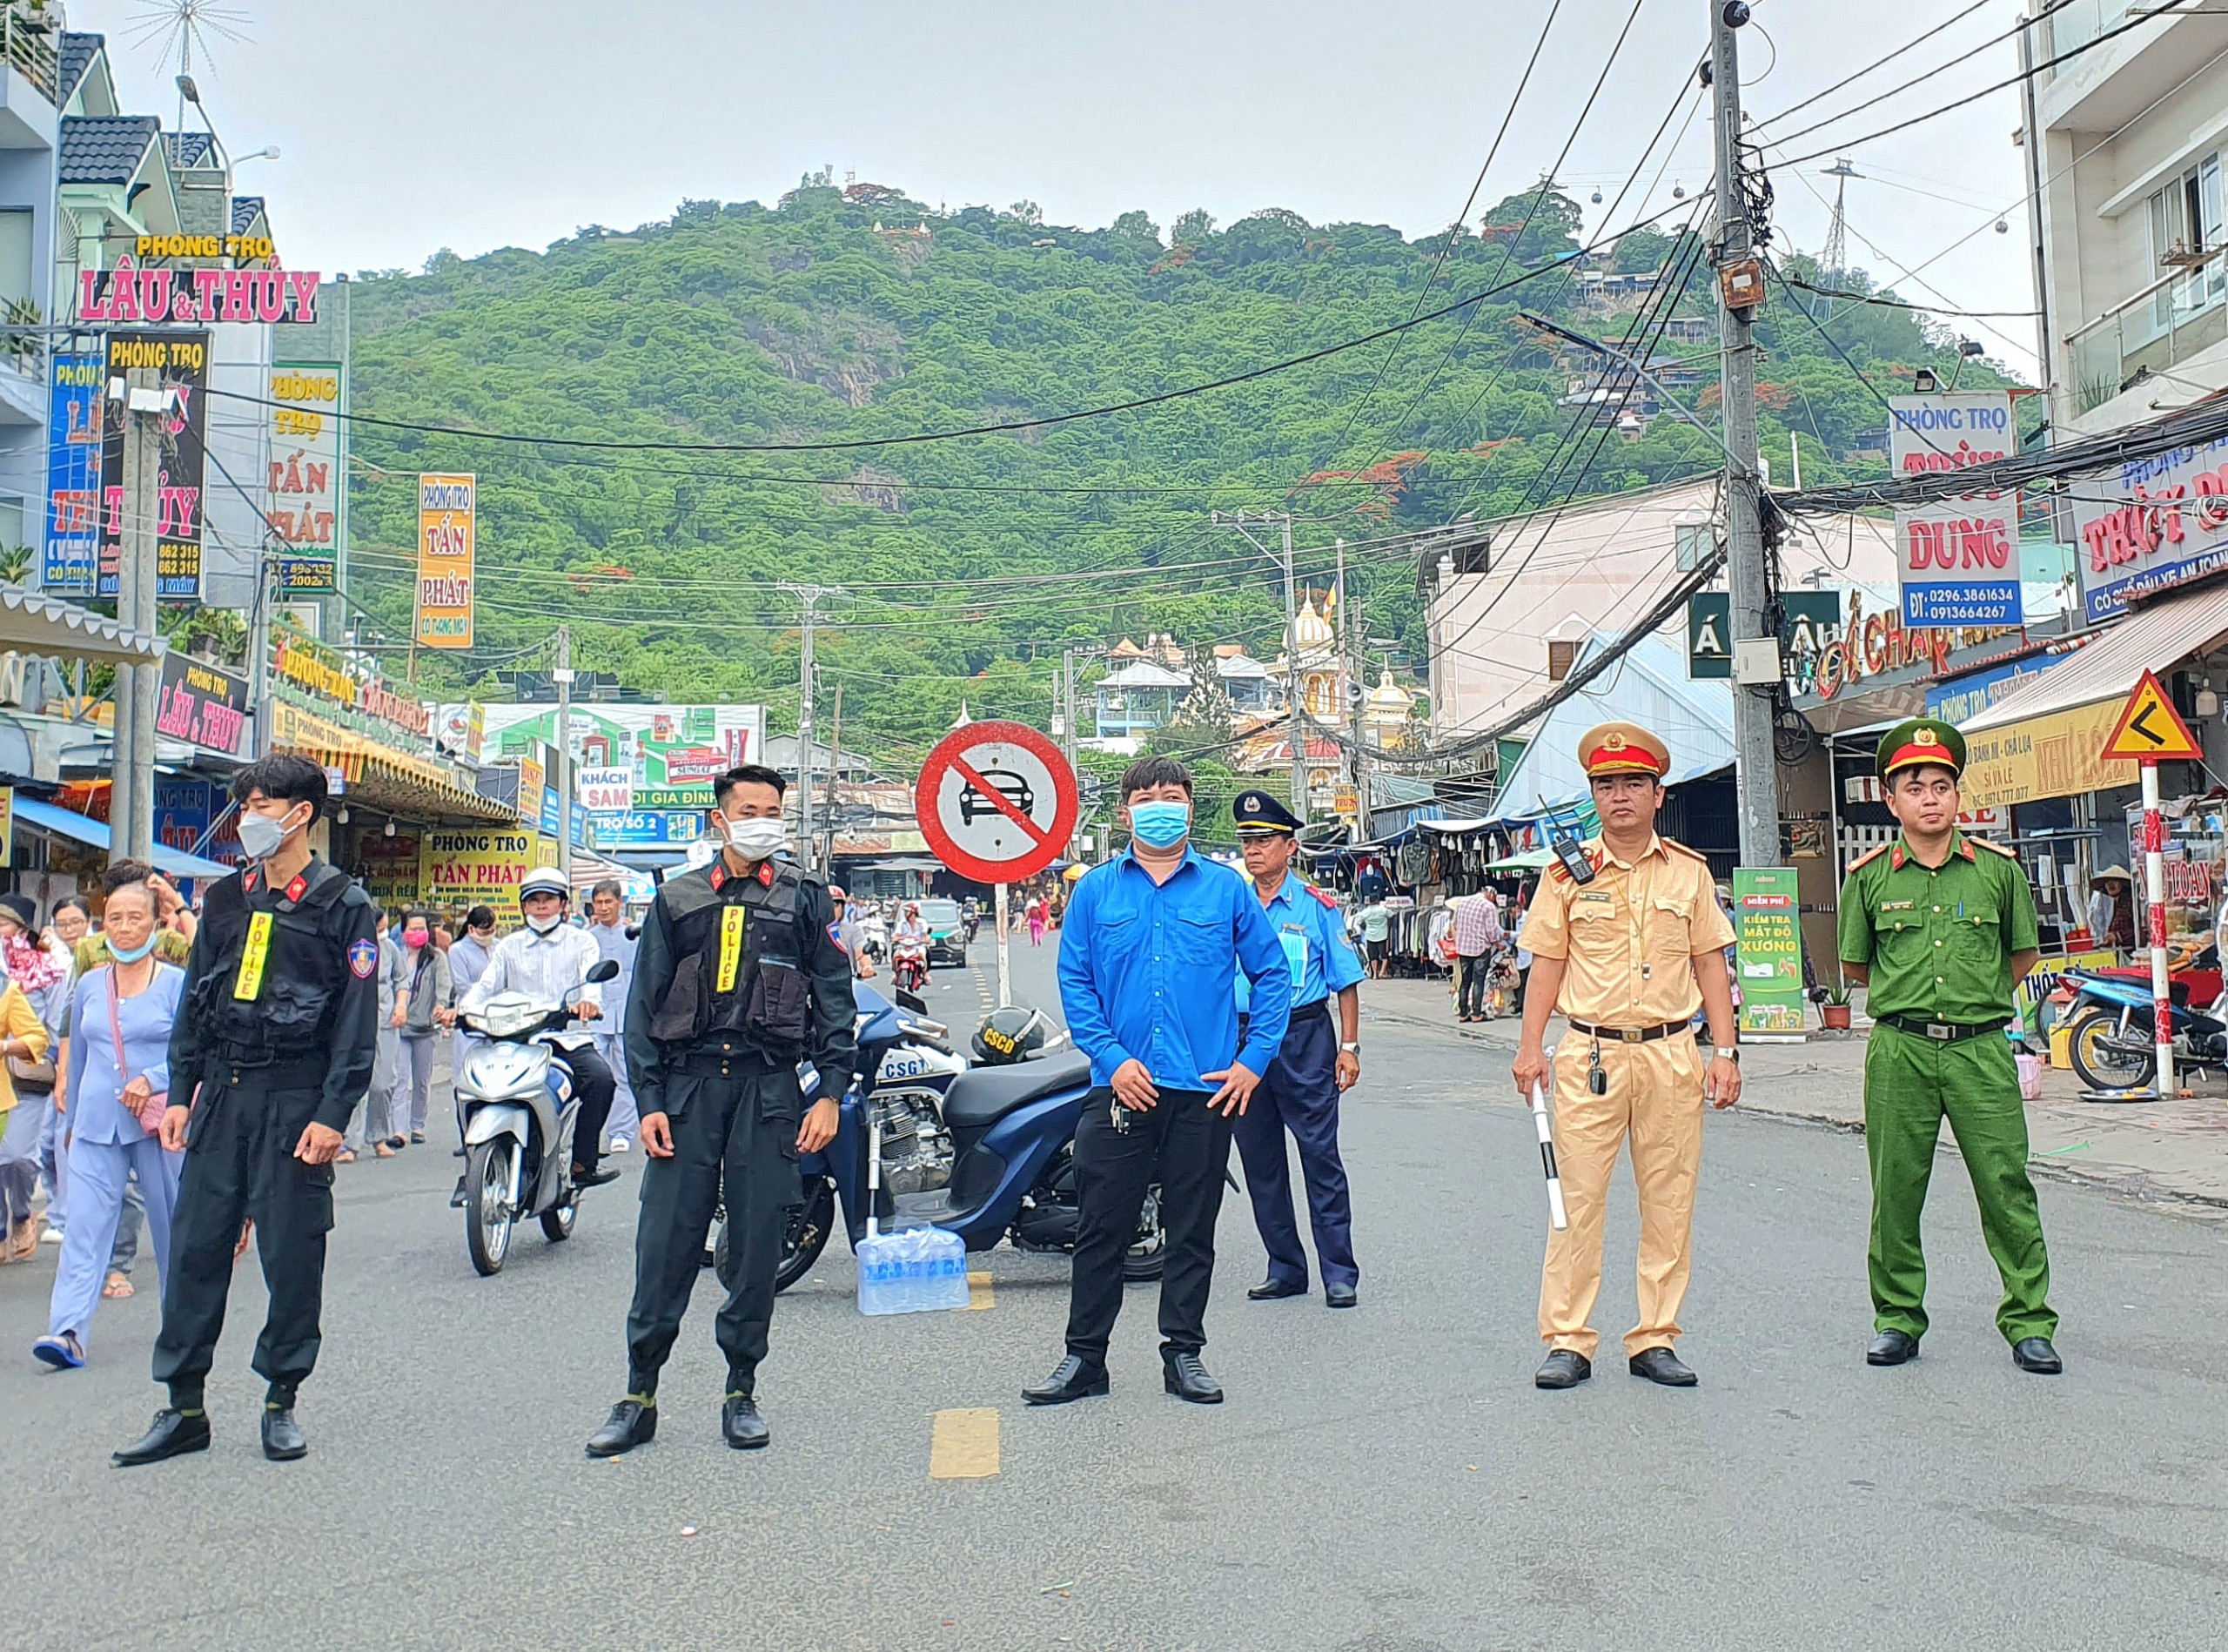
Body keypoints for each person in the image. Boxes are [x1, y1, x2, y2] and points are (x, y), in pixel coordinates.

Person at [113, 755, 380, 1466]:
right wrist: (180, 1092)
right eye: (246, 805)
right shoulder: (226, 899)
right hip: (223, 1096)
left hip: (296, 1099)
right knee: (196, 1248)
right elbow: (194, 1005)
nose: (248, 818)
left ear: (301, 814)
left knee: (292, 1255)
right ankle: (183, 1406)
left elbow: (356, 1025)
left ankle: (280, 1398)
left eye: (262, 804)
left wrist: (333, 1114)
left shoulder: (344, 904)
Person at [587, 763, 856, 1457]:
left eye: (773, 809)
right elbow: (642, 1011)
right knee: (665, 1247)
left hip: (769, 1094)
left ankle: (741, 1391)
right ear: (720, 819)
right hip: (688, 1093)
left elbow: (834, 1001)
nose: (763, 819)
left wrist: (828, 1091)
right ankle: (638, 1394)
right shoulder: (677, 900)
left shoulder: (802, 899)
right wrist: (647, 1101)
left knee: (756, 1246)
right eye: (749, 808)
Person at [1024, 756, 1291, 1409]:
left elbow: (1274, 976)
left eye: (1172, 797)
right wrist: (1112, 1059)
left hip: (1203, 1090)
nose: (1159, 806)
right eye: (1145, 798)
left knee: (1191, 1228)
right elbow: (1076, 983)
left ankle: (1185, 1355)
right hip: (1118, 1090)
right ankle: (1084, 1358)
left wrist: (1252, 1062)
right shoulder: (1094, 892)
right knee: (1100, 1230)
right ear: (1124, 812)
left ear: (1191, 809)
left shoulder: (1226, 890)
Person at [1511, 722, 1741, 1393]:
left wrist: (1724, 1052)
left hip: (1672, 1053)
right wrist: (1530, 1050)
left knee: (1669, 1202)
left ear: (1657, 794)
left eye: (1632, 784)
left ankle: (1655, 1337)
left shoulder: (1690, 874)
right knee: (1575, 1202)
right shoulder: (1564, 876)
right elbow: (1545, 966)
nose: (1619, 797)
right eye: (1606, 785)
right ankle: (1568, 1339)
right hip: (1591, 1054)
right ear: (1593, 796)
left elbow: (1710, 966)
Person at [1837, 719, 2060, 1376]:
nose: (1930, 798)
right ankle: (1897, 1320)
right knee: (1896, 1189)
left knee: (2005, 1185)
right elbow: (1857, 968)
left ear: (1958, 795)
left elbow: (2020, 956)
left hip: (1981, 1051)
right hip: (1899, 1050)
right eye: (1915, 787)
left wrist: (1972, 1004)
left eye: (1942, 785)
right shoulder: (1870, 879)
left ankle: (2029, 1322)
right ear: (1891, 799)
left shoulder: (1996, 872)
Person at [33, 876, 184, 1368]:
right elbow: (76, 1057)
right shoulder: (90, 983)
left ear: (156, 923)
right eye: (114, 918)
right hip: (97, 1124)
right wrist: (71, 1121)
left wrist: (153, 1079)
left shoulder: (176, 984)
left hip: (159, 1125)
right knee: (84, 1229)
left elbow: (193, 1056)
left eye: (134, 917)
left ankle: (182, 1327)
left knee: (172, 1228)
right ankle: (68, 1331)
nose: (123, 928)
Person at [1228, 790, 1367, 1309]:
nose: (1254, 850)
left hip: (1303, 1037)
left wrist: (1348, 1046)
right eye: (1247, 842)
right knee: (1260, 1160)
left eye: (1264, 840)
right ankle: (1285, 1267)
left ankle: (1339, 1271)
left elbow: (1344, 979)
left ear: (1290, 847)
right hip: (1244, 1042)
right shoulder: (1233, 905)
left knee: (1320, 1157)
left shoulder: (1316, 907)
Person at [446, 869, 621, 1190]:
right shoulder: (509, 946)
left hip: (566, 1039)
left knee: (601, 1080)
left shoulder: (583, 942)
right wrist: (461, 1009)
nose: (541, 907)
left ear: (563, 905)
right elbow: (484, 986)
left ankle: (583, 1163)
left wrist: (588, 1004)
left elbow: (590, 985)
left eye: (548, 900)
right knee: (467, 1088)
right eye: (534, 901)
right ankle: (474, 1169)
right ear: (523, 906)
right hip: (513, 1040)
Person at [0, 951, 55, 1261]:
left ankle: (21, 1214)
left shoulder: (6, 991)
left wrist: (6, 1046)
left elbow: (37, 1038)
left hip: (5, 1098)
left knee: (14, 1159)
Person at [586, 878, 641, 1152]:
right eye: (599, 902)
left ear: (620, 902)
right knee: (593, 1076)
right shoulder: (586, 938)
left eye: (609, 902)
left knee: (626, 1076)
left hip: (626, 1016)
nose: (604, 907)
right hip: (595, 1016)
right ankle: (589, 1132)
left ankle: (621, 1131)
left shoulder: (633, 935)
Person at [394, 910, 449, 1146]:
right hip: (399, 1025)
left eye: (421, 928)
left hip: (425, 1027)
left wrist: (441, 1005)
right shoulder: (397, 956)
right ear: (403, 931)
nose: (417, 933)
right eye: (412, 928)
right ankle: (398, 1130)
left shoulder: (436, 957)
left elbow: (444, 986)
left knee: (422, 1081)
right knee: (398, 1079)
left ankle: (417, 1126)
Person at [1451, 890, 1505, 1023]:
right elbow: (1491, 931)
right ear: (1491, 894)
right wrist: (1497, 944)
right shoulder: (1488, 907)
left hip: (1463, 948)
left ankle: (1463, 1013)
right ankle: (1476, 1013)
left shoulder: (1462, 902)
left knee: (1465, 981)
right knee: (1478, 981)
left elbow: (1455, 924)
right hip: (1480, 948)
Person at [2086, 865, 2137, 951]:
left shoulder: (2130, 902)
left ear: (2122, 884)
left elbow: (2138, 930)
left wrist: (2117, 936)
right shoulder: (2108, 904)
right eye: (2107, 882)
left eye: (2115, 881)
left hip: (2132, 952)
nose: (2110, 884)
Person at [1357, 897, 1392, 979]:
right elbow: (1391, 914)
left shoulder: (1366, 912)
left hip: (1370, 935)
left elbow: (1359, 921)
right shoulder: (1383, 910)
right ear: (1377, 901)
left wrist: (1366, 925)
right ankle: (1382, 972)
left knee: (1373, 956)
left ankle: (1375, 974)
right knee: (1384, 955)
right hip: (1382, 935)